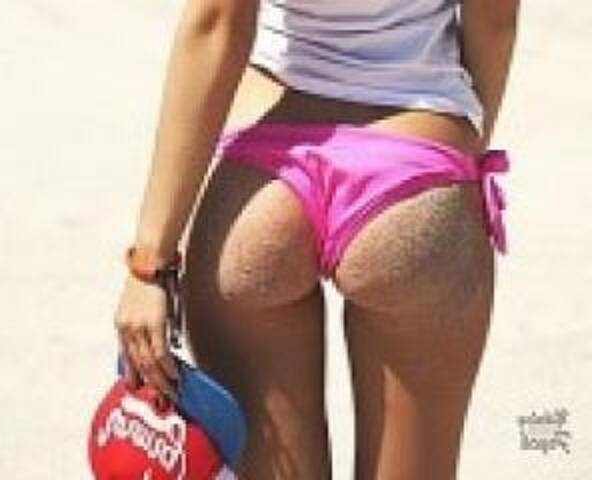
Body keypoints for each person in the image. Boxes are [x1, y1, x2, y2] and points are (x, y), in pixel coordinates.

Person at [114, 0, 519, 478]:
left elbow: (217, 24)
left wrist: (151, 261)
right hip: (415, 155)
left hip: (264, 174)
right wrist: (459, 151)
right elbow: (495, 20)